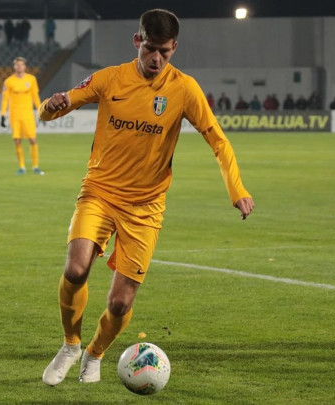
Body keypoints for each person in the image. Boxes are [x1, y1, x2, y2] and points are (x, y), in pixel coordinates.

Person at [38, 9, 254, 386]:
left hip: (145, 207)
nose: (156, 59)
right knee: (75, 269)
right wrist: (49, 106)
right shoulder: (110, 78)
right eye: (150, 49)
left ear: (174, 48)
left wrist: (237, 189)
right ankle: (70, 345)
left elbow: (218, 140)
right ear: (137, 41)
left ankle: (95, 353)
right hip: (100, 192)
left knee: (120, 302)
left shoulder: (184, 89)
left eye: (164, 52)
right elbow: (54, 110)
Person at [0, 56, 44, 175]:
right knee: (17, 140)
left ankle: (35, 166)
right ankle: (22, 167)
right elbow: (5, 99)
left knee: (33, 139)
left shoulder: (31, 79)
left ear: (25, 66)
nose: (19, 67)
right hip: (15, 115)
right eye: (17, 65)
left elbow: (35, 96)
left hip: (27, 114)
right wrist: (2, 115)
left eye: (21, 65)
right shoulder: (9, 81)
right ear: (14, 66)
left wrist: (41, 110)